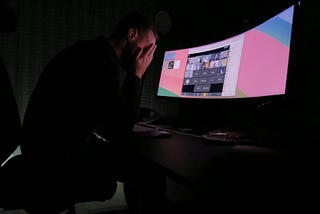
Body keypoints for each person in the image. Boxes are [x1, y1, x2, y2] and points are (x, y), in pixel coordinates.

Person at [21, 11, 166, 214]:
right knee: (151, 171)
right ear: (132, 34)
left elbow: (112, 111)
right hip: (54, 164)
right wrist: (137, 74)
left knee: (131, 161)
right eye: (148, 47)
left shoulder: (94, 52)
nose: (148, 56)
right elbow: (121, 128)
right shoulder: (99, 61)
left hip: (43, 152)